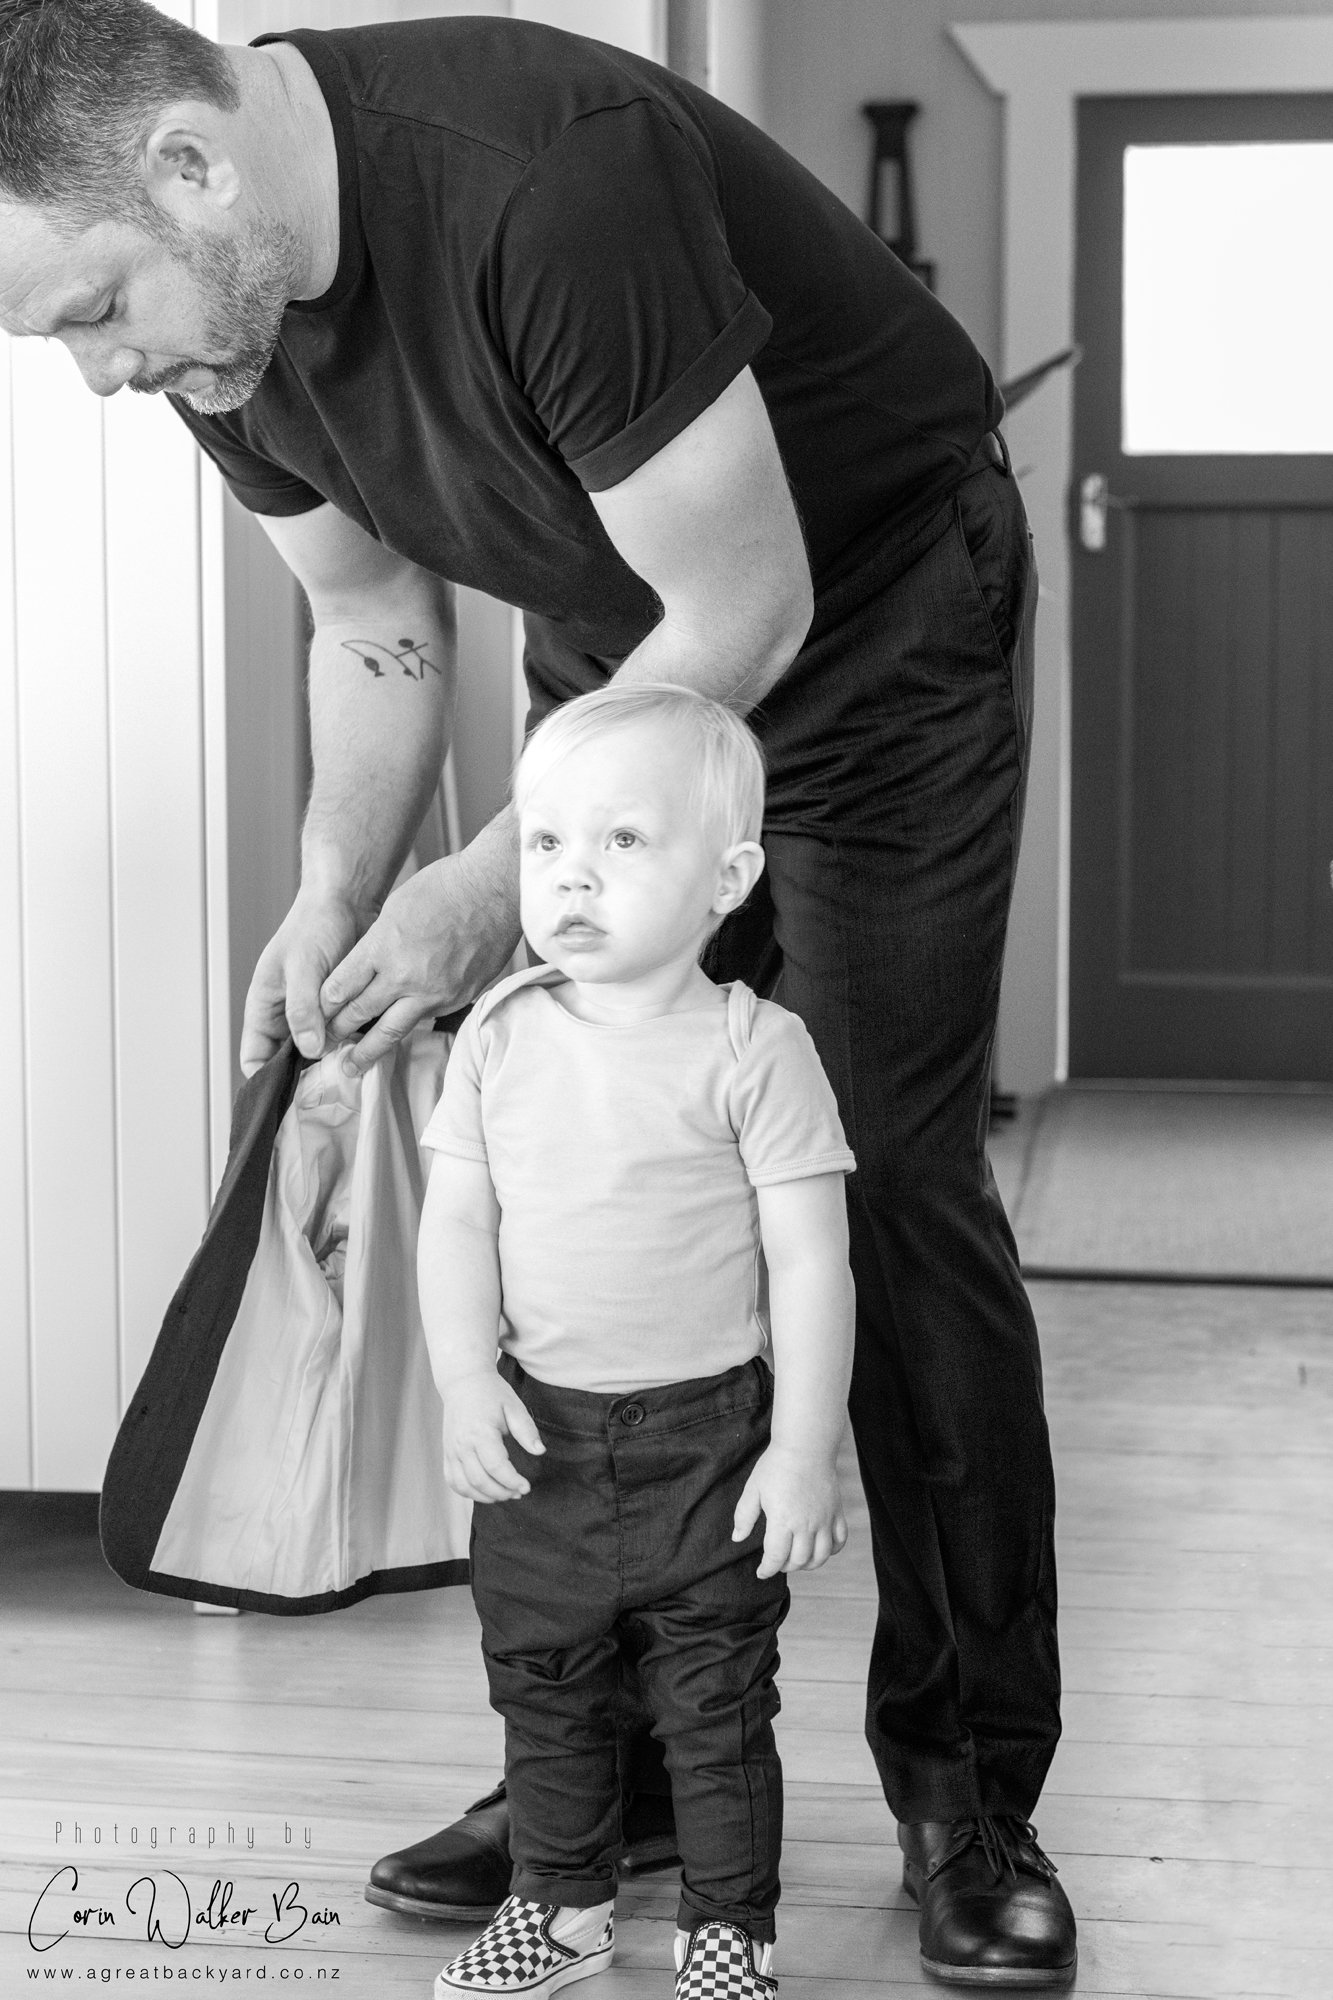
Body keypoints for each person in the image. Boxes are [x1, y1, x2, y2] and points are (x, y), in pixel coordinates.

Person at [0, 2, 1078, 1984]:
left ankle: (965, 1789)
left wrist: (496, 887)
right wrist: (337, 894)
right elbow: (369, 620)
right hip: (628, 638)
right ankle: (636, 1765)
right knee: (596, 1190)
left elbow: (752, 604)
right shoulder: (222, 324)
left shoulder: (540, 183)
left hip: (867, 632)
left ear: (185, 166)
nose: (96, 374)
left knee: (876, 1185)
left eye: (85, 314)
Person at [420, 682, 856, 2000]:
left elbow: (810, 1261)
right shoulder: (497, 1037)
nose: (571, 878)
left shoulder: (755, 1048)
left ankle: (729, 1928)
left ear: (725, 877)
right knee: (542, 1688)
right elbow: (456, 1222)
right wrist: (458, 1379)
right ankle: (556, 1909)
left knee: (716, 1705)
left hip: (703, 1446)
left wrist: (800, 1451)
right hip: (541, 1435)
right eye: (547, 843)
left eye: (622, 843)